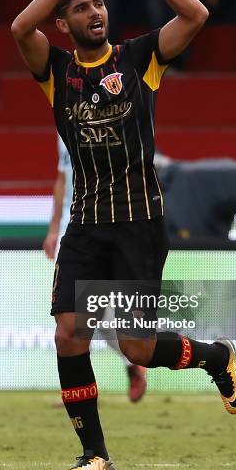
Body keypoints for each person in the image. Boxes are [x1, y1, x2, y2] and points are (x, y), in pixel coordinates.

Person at [12, 0, 236, 470]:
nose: (95, 12)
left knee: (137, 348)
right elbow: (19, 25)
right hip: (85, 224)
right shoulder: (56, 71)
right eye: (82, 7)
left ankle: (214, 356)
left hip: (138, 224)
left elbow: (197, 16)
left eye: (99, 4)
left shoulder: (140, 58)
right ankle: (95, 455)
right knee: (69, 332)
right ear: (64, 23)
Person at [43, 133, 147, 403]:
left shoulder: (101, 122)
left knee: (86, 318)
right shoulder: (63, 128)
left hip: (96, 228)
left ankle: (85, 387)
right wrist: (54, 228)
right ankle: (124, 367)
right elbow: (62, 178)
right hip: (70, 231)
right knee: (76, 319)